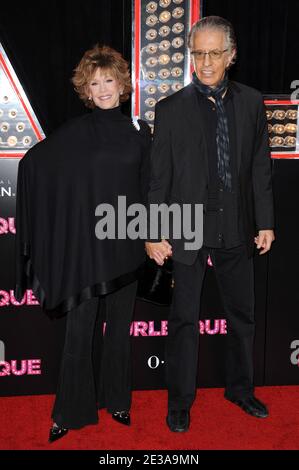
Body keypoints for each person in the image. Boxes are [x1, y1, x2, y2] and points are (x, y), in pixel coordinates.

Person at [15, 44, 151, 442]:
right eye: (95, 83)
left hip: (126, 245)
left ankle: (119, 401)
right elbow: (32, 166)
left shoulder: (140, 133)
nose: (104, 88)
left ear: (122, 84)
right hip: (87, 254)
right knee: (79, 333)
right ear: (86, 91)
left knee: (119, 332)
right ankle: (69, 413)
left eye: (109, 80)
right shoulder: (73, 133)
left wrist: (153, 236)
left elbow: (149, 189)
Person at [145, 16, 275, 432]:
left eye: (214, 53)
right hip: (185, 226)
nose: (205, 62)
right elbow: (158, 178)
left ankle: (240, 389)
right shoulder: (169, 110)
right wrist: (152, 230)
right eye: (198, 53)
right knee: (183, 318)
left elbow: (259, 167)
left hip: (237, 225)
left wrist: (266, 222)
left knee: (242, 315)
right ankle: (180, 401)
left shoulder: (253, 103)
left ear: (231, 55)